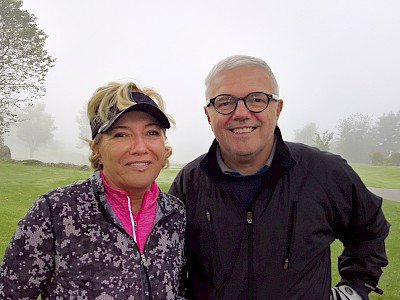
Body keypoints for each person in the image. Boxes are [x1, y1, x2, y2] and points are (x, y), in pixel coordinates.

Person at [169, 55, 390, 300]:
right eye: (224, 102)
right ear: (208, 115)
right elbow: (170, 267)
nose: (241, 113)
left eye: (257, 99)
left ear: (278, 109)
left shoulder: (324, 172)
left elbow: (370, 229)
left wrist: (354, 289)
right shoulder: (188, 184)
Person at [0, 81, 186, 299]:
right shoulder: (56, 211)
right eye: (121, 134)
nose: (140, 147)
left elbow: (179, 290)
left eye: (152, 133)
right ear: (97, 147)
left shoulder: (174, 214)